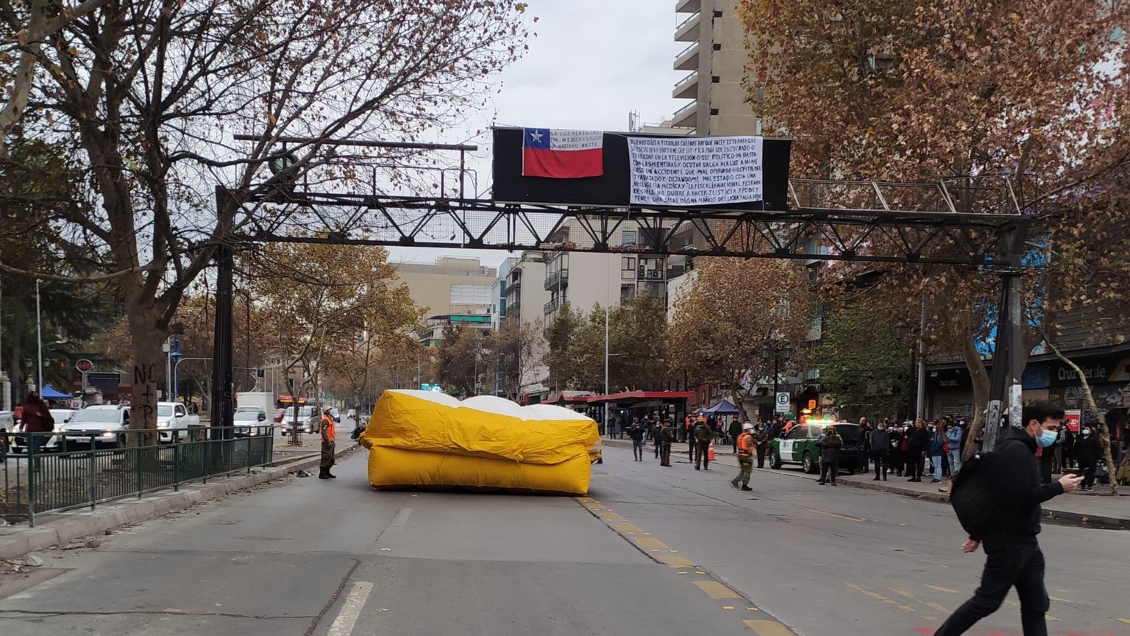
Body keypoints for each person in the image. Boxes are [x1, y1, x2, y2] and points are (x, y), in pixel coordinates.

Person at [932, 401, 1082, 636]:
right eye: (1052, 428)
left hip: (1025, 542)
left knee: (1036, 606)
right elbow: (1019, 495)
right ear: (1034, 425)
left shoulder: (1019, 448)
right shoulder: (1016, 451)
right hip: (1009, 543)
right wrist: (1058, 487)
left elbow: (997, 496)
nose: (1055, 433)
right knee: (986, 601)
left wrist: (977, 534)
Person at [18, 392, 54, 470]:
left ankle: (37, 465)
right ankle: (34, 463)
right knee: (30, 447)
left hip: (39, 429)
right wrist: (21, 427)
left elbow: (48, 417)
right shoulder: (27, 405)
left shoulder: (41, 405)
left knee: (36, 447)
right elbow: (24, 417)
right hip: (30, 429)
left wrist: (40, 415)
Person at [1074, 425, 1102, 492]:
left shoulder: (1094, 439)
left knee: (1090, 472)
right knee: (1082, 471)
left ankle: (1089, 485)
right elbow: (1075, 448)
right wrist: (1074, 457)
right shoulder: (1080, 438)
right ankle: (1083, 485)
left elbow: (1098, 449)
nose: (1085, 430)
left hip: (1091, 458)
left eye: (1087, 429)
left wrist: (1099, 458)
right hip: (1081, 457)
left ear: (1090, 431)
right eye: (1084, 429)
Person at [731, 422, 754, 491]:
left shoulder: (740, 436)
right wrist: (751, 452)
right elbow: (749, 447)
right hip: (746, 456)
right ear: (747, 429)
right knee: (747, 471)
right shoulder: (748, 437)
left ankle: (736, 480)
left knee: (743, 470)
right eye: (750, 429)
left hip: (740, 455)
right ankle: (744, 484)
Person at [318, 406, 337, 479]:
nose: (331, 411)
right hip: (326, 442)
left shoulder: (330, 419)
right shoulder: (325, 420)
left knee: (331, 457)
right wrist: (328, 441)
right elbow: (324, 433)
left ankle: (327, 472)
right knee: (326, 457)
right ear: (326, 411)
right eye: (329, 410)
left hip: (331, 441)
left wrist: (332, 441)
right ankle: (322, 473)